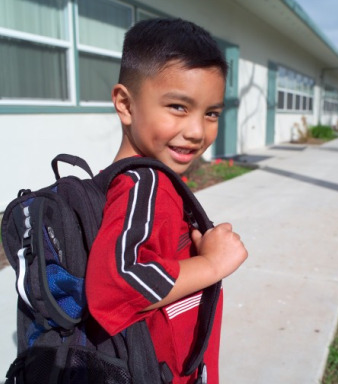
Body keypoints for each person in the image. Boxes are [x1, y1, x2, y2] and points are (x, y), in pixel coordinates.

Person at [85, 18, 248, 383]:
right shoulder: (145, 184)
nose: (196, 131)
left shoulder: (129, 180)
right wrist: (212, 264)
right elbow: (117, 286)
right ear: (125, 104)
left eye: (211, 113)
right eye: (178, 106)